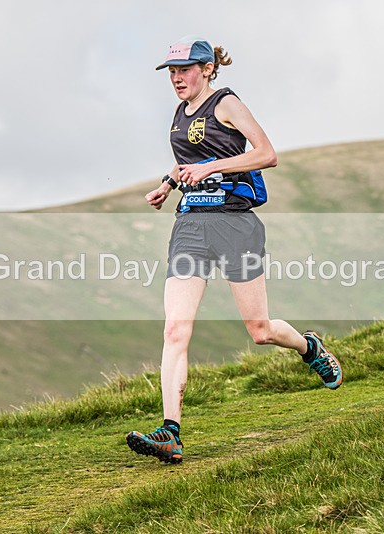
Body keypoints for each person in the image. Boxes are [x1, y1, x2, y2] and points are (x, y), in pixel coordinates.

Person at [126, 36, 343, 464]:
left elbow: (266, 153)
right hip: (191, 226)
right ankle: (171, 432)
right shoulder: (179, 113)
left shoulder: (226, 103)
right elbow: (188, 156)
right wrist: (168, 185)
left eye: (185, 69)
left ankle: (308, 347)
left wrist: (210, 167)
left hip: (235, 224)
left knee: (260, 331)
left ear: (207, 69)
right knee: (175, 330)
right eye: (171, 71)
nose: (176, 78)